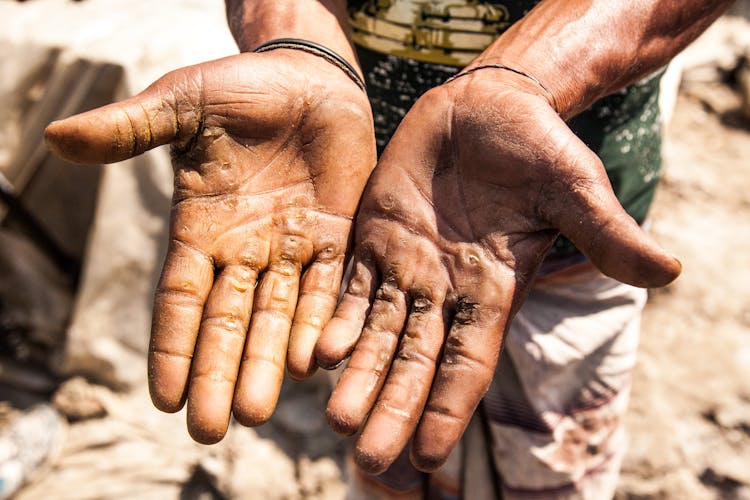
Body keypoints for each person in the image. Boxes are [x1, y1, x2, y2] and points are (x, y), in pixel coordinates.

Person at [44, 1, 732, 497]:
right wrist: (297, 40)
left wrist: (530, 77)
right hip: (345, 212)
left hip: (557, 215)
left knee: (550, 469)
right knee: (385, 455)